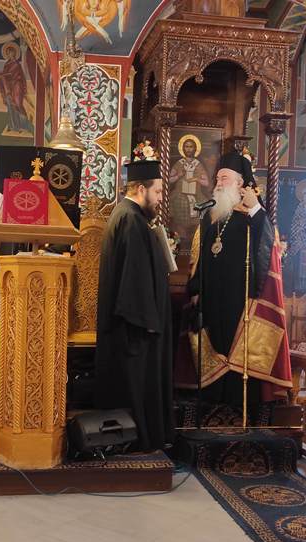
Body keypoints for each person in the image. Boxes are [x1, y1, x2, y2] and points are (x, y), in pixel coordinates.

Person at [186, 152, 291, 417]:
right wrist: (196, 289)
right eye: (217, 178)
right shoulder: (212, 217)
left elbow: (266, 246)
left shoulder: (252, 217)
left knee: (236, 350)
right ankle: (213, 402)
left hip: (240, 301)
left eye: (224, 178)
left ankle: (239, 405)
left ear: (240, 183)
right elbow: (201, 259)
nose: (218, 183)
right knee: (214, 344)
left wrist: (255, 208)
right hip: (212, 300)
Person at [94, 149, 173, 452]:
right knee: (136, 388)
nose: (160, 198)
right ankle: (140, 441)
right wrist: (148, 323)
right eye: (158, 191)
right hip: (135, 330)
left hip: (131, 326)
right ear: (141, 189)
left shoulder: (128, 216)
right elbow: (134, 280)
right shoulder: (131, 220)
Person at [0, 43, 32, 134]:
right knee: (10, 106)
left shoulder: (16, 64)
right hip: (8, 88)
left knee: (17, 105)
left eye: (10, 52)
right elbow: (6, 75)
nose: (9, 54)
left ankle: (23, 125)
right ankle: (13, 126)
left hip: (16, 87)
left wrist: (2, 74)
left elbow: (12, 74)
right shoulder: (7, 64)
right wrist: (1, 75)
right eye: (8, 53)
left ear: (14, 53)